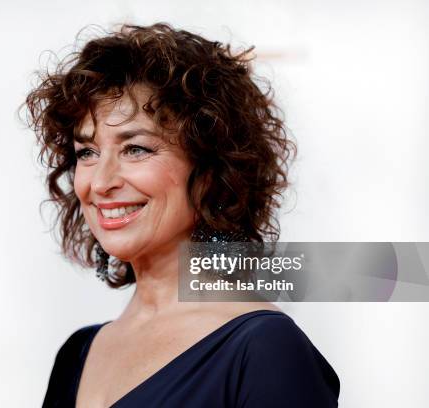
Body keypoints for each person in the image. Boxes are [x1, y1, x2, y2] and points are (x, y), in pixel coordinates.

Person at [25, 23, 339, 408]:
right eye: (87, 152)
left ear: (211, 170)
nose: (101, 182)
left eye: (136, 149)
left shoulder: (263, 349)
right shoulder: (77, 355)